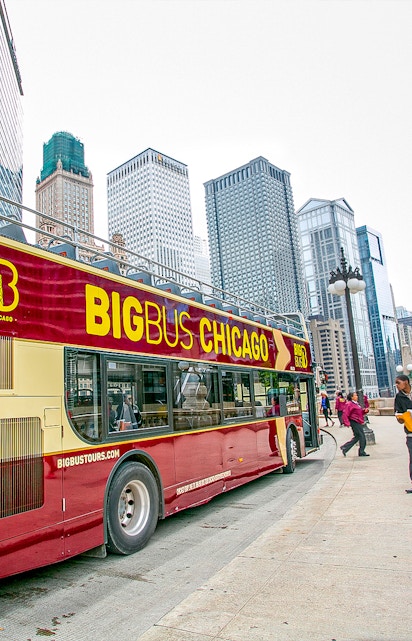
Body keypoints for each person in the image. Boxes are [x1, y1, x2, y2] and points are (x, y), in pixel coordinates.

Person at [394, 374, 412, 494]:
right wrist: (401, 418)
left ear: (406, 382)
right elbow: (398, 415)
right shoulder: (399, 397)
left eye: (398, 383)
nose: (396, 385)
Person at [340, 391, 369, 457]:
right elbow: (345, 414)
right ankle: (361, 451)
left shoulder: (356, 404)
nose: (357, 396)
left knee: (357, 437)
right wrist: (346, 423)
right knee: (362, 436)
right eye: (355, 395)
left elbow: (358, 413)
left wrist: (364, 411)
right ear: (352, 397)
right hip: (354, 422)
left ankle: (345, 447)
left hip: (358, 421)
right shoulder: (349, 404)